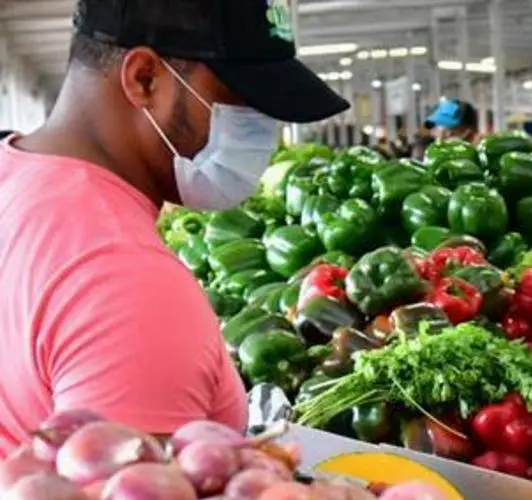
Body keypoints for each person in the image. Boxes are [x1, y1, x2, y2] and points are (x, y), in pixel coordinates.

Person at [0, 0, 348, 455]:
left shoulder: (15, 175)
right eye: (242, 101)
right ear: (144, 78)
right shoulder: (125, 282)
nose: (265, 132)